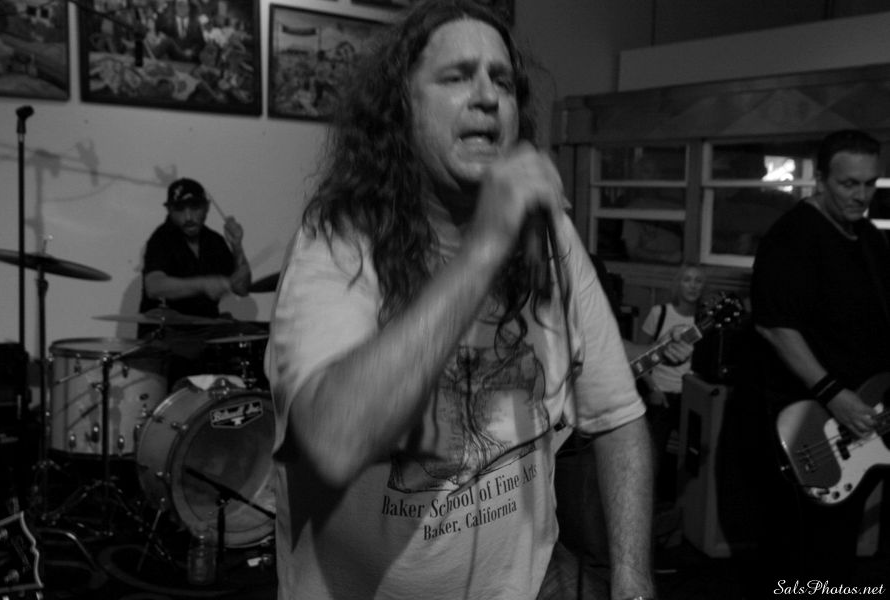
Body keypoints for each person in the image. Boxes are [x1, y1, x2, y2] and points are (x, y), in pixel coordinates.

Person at [264, 1, 691, 598]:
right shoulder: (338, 241)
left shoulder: (550, 237)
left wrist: (633, 579)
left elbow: (618, 417)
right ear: (401, 108)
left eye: (503, 82)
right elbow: (332, 441)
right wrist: (487, 244)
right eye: (458, 76)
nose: (488, 96)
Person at [750, 129, 890, 589]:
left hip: (866, 415)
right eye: (849, 184)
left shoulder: (868, 237)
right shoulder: (792, 237)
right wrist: (834, 395)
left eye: (870, 183)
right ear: (820, 179)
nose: (861, 195)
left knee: (840, 547)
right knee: (806, 552)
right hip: (813, 421)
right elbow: (776, 328)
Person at [139, 177, 252, 382]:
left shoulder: (214, 241)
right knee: (190, 359)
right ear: (169, 210)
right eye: (180, 209)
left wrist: (237, 246)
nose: (188, 216)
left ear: (206, 208)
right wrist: (203, 284)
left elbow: (242, 288)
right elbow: (153, 286)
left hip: (207, 331)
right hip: (170, 333)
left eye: (195, 207)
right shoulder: (161, 239)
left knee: (258, 336)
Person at [636, 264, 706, 504]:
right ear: (678, 284)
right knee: (652, 456)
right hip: (661, 394)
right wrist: (652, 389)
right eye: (687, 279)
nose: (693, 285)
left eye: (698, 280)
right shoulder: (660, 313)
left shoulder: (703, 321)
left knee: (692, 458)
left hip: (691, 396)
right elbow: (640, 355)